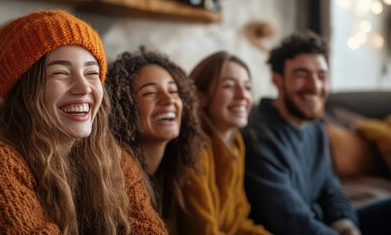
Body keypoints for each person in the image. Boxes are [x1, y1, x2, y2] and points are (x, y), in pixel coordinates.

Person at [0, 10, 166, 234]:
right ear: (24, 89)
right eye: (61, 73)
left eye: (91, 73)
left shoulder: (113, 159)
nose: (84, 87)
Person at [242, 31, 362, 235]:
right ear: (277, 80)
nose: (314, 86)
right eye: (301, 74)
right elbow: (291, 221)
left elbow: (330, 188)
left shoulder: (316, 131)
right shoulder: (258, 138)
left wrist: (346, 225)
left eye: (321, 75)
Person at [106, 47, 205, 233]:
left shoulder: (174, 171)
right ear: (123, 106)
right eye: (150, 93)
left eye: (174, 91)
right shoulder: (114, 176)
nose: (168, 100)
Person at [177, 51, 271, 235]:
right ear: (200, 96)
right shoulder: (193, 148)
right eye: (229, 86)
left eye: (247, 87)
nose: (242, 95)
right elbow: (203, 230)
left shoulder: (235, 144)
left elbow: (237, 222)